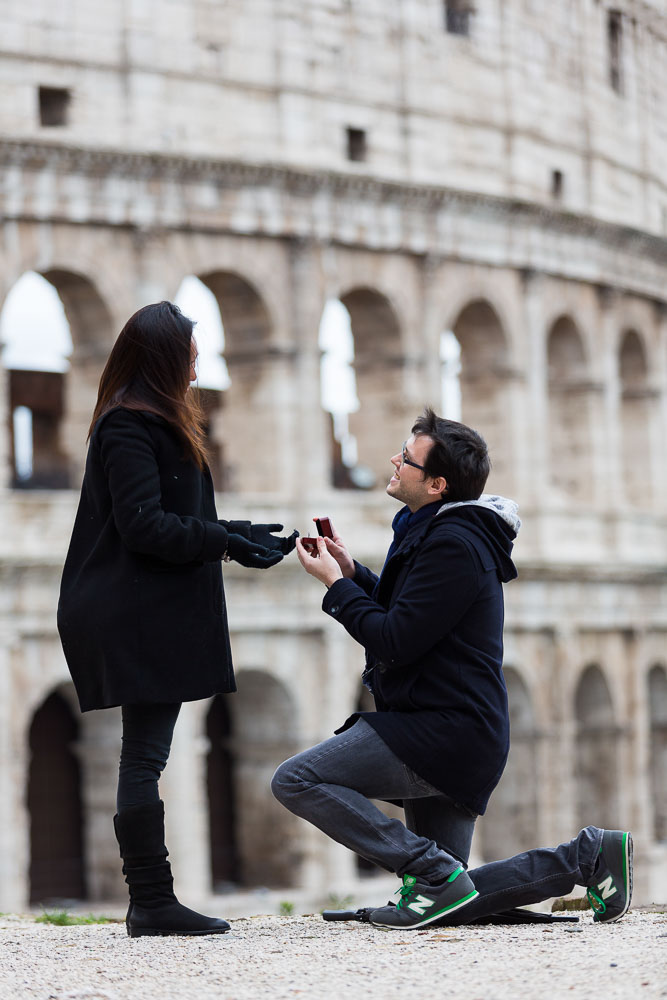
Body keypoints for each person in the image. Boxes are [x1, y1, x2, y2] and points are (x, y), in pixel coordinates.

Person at [271, 409, 632, 929]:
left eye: (408, 458)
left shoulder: (455, 544)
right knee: (454, 899)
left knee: (297, 779)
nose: (395, 460)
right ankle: (586, 858)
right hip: (450, 727)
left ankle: (431, 872)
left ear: (437, 484)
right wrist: (353, 573)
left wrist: (335, 586)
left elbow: (393, 641)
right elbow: (413, 615)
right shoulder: (433, 529)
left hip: (445, 733)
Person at [58, 301, 297, 938]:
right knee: (143, 758)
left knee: (146, 754)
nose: (198, 365)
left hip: (143, 605)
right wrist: (223, 540)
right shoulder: (127, 427)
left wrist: (235, 532)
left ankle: (152, 900)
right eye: (190, 355)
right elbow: (142, 526)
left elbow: (169, 513)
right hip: (131, 609)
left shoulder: (154, 421)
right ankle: (151, 900)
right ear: (163, 358)